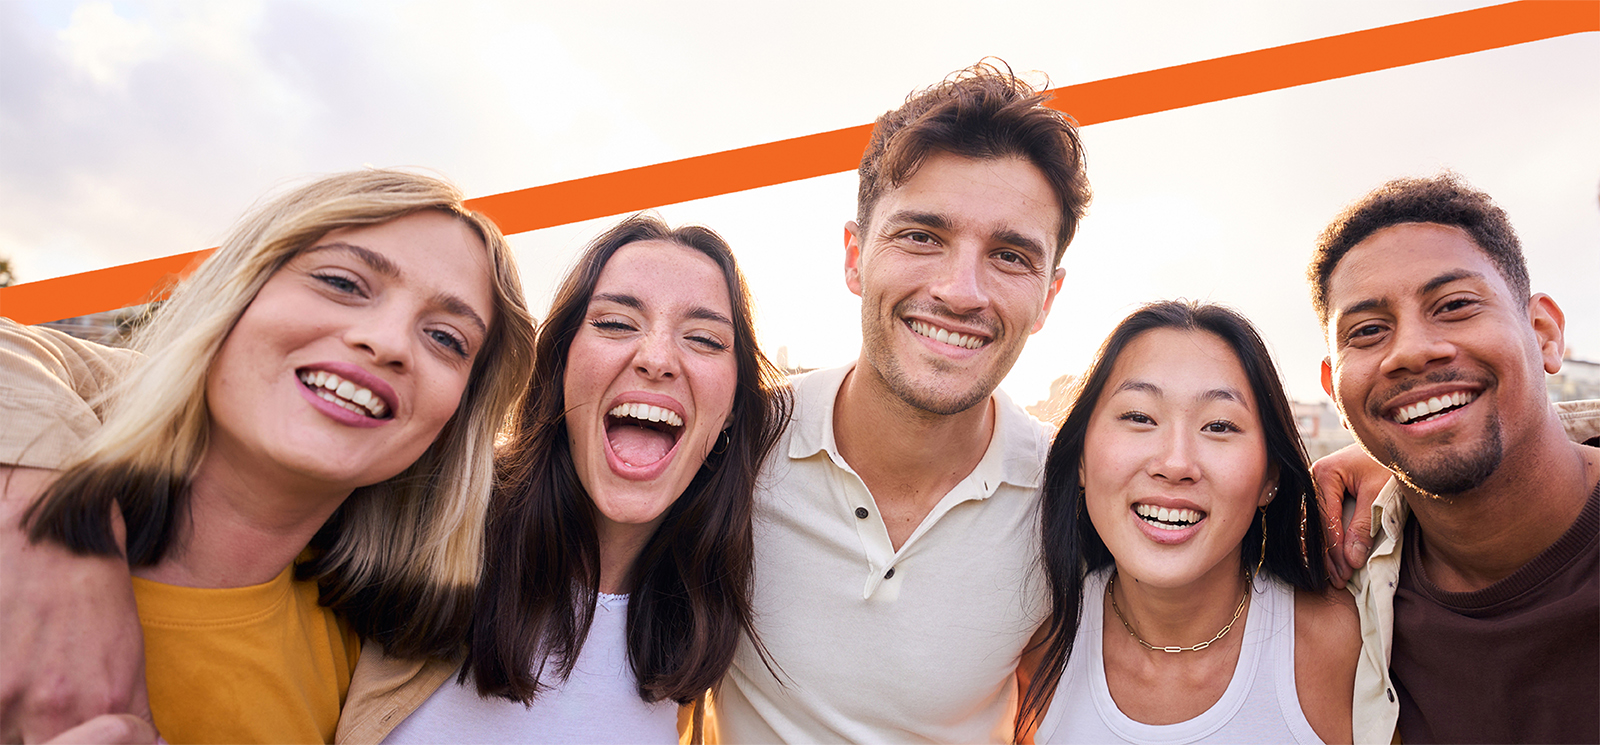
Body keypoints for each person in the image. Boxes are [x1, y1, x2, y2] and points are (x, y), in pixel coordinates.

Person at [1, 169, 538, 743]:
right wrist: (43, 514)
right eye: (343, 282)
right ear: (236, 294)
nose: (387, 342)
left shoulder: (386, 658)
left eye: (447, 339)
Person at [711, 61, 1088, 743]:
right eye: (922, 236)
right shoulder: (733, 447)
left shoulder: (1069, 496)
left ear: (1047, 299)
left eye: (1009, 255)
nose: (960, 290)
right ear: (855, 256)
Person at [336, 215, 788, 743]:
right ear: (558, 367)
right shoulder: (415, 533)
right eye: (616, 323)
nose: (658, 359)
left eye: (706, 339)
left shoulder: (698, 628)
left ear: (732, 408)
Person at [1311, 174, 1600, 743]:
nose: (1412, 350)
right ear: (1334, 391)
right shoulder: (1335, 583)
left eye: (1455, 305)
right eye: (1368, 331)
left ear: (1543, 332)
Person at [1023, 301, 1358, 743]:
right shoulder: (1031, 652)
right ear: (1081, 459)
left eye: (1219, 426)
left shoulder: (1346, 641)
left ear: (1270, 478)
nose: (1176, 463)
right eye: (1139, 417)